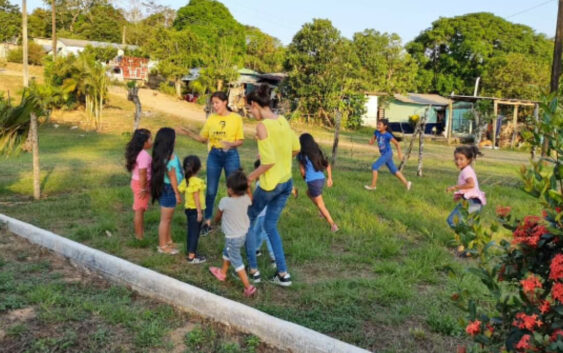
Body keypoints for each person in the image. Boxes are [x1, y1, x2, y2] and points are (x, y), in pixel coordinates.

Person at [244, 84, 300, 287]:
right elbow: (296, 148)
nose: (250, 113)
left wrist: (249, 178)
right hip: (286, 182)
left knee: (249, 220)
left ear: (255, 105)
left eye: (250, 109)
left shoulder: (262, 126)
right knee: (270, 225)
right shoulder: (282, 120)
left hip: (269, 186)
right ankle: (283, 274)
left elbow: (267, 164)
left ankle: (253, 271)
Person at [178, 92, 244, 236]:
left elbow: (240, 140)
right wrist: (188, 133)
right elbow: (203, 138)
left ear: (225, 102)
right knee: (211, 190)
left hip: (231, 155)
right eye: (212, 103)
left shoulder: (236, 118)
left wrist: (230, 144)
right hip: (214, 155)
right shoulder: (212, 119)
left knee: (233, 188)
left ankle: (233, 219)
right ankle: (207, 221)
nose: (214, 106)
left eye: (217, 103)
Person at [209, 171, 256, 297]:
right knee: (227, 251)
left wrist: (215, 221)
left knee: (236, 261)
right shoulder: (246, 199)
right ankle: (222, 273)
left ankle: (248, 287)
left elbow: (218, 215)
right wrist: (249, 188)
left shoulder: (225, 201)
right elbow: (251, 199)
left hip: (232, 237)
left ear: (230, 189)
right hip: (242, 234)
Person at [297, 133, 338, 232]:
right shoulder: (317, 152)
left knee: (321, 204)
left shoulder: (301, 156)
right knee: (308, 193)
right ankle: (321, 212)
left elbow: (302, 171)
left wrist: (304, 177)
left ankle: (333, 225)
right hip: (321, 179)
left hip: (313, 182)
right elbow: (327, 165)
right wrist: (330, 178)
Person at [150, 127, 182, 255]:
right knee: (165, 220)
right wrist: (177, 194)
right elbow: (172, 177)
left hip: (167, 188)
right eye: (174, 138)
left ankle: (168, 241)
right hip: (170, 190)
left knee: (168, 219)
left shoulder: (166, 155)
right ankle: (163, 246)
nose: (176, 140)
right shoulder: (168, 158)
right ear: (170, 141)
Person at [364, 119, 412, 191]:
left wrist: (400, 154)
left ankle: (373, 186)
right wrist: (370, 141)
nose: (378, 126)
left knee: (375, 166)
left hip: (388, 153)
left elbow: (397, 144)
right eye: (377, 124)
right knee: (394, 170)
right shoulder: (376, 132)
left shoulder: (387, 135)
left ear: (385, 126)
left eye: (380, 124)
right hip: (384, 154)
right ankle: (407, 183)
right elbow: (372, 141)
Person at [446, 145, 487, 228]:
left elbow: (471, 184)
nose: (458, 161)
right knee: (469, 226)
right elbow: (470, 189)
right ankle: (465, 239)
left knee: (453, 221)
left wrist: (455, 187)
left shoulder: (466, 171)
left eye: (461, 159)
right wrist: (459, 195)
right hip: (474, 201)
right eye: (456, 159)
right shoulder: (466, 170)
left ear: (468, 160)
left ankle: (462, 238)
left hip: (473, 202)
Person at [178, 155, 207, 264]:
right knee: (195, 233)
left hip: (189, 210)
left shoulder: (187, 180)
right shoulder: (196, 181)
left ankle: (190, 251)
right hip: (196, 211)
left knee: (191, 231)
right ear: (199, 168)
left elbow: (181, 190)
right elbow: (196, 197)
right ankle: (192, 257)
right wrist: (199, 212)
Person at [125, 128, 152, 240]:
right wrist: (143, 188)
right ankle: (139, 237)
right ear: (144, 142)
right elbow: (142, 172)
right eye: (150, 139)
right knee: (139, 210)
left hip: (136, 182)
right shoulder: (144, 155)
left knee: (139, 209)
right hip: (141, 184)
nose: (152, 141)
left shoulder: (137, 152)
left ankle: (139, 234)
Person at [252, 159, 276, 266]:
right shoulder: (271, 181)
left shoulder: (261, 184)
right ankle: (255, 249)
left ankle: (274, 258)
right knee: (257, 231)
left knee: (267, 234)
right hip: (265, 213)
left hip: (264, 213)